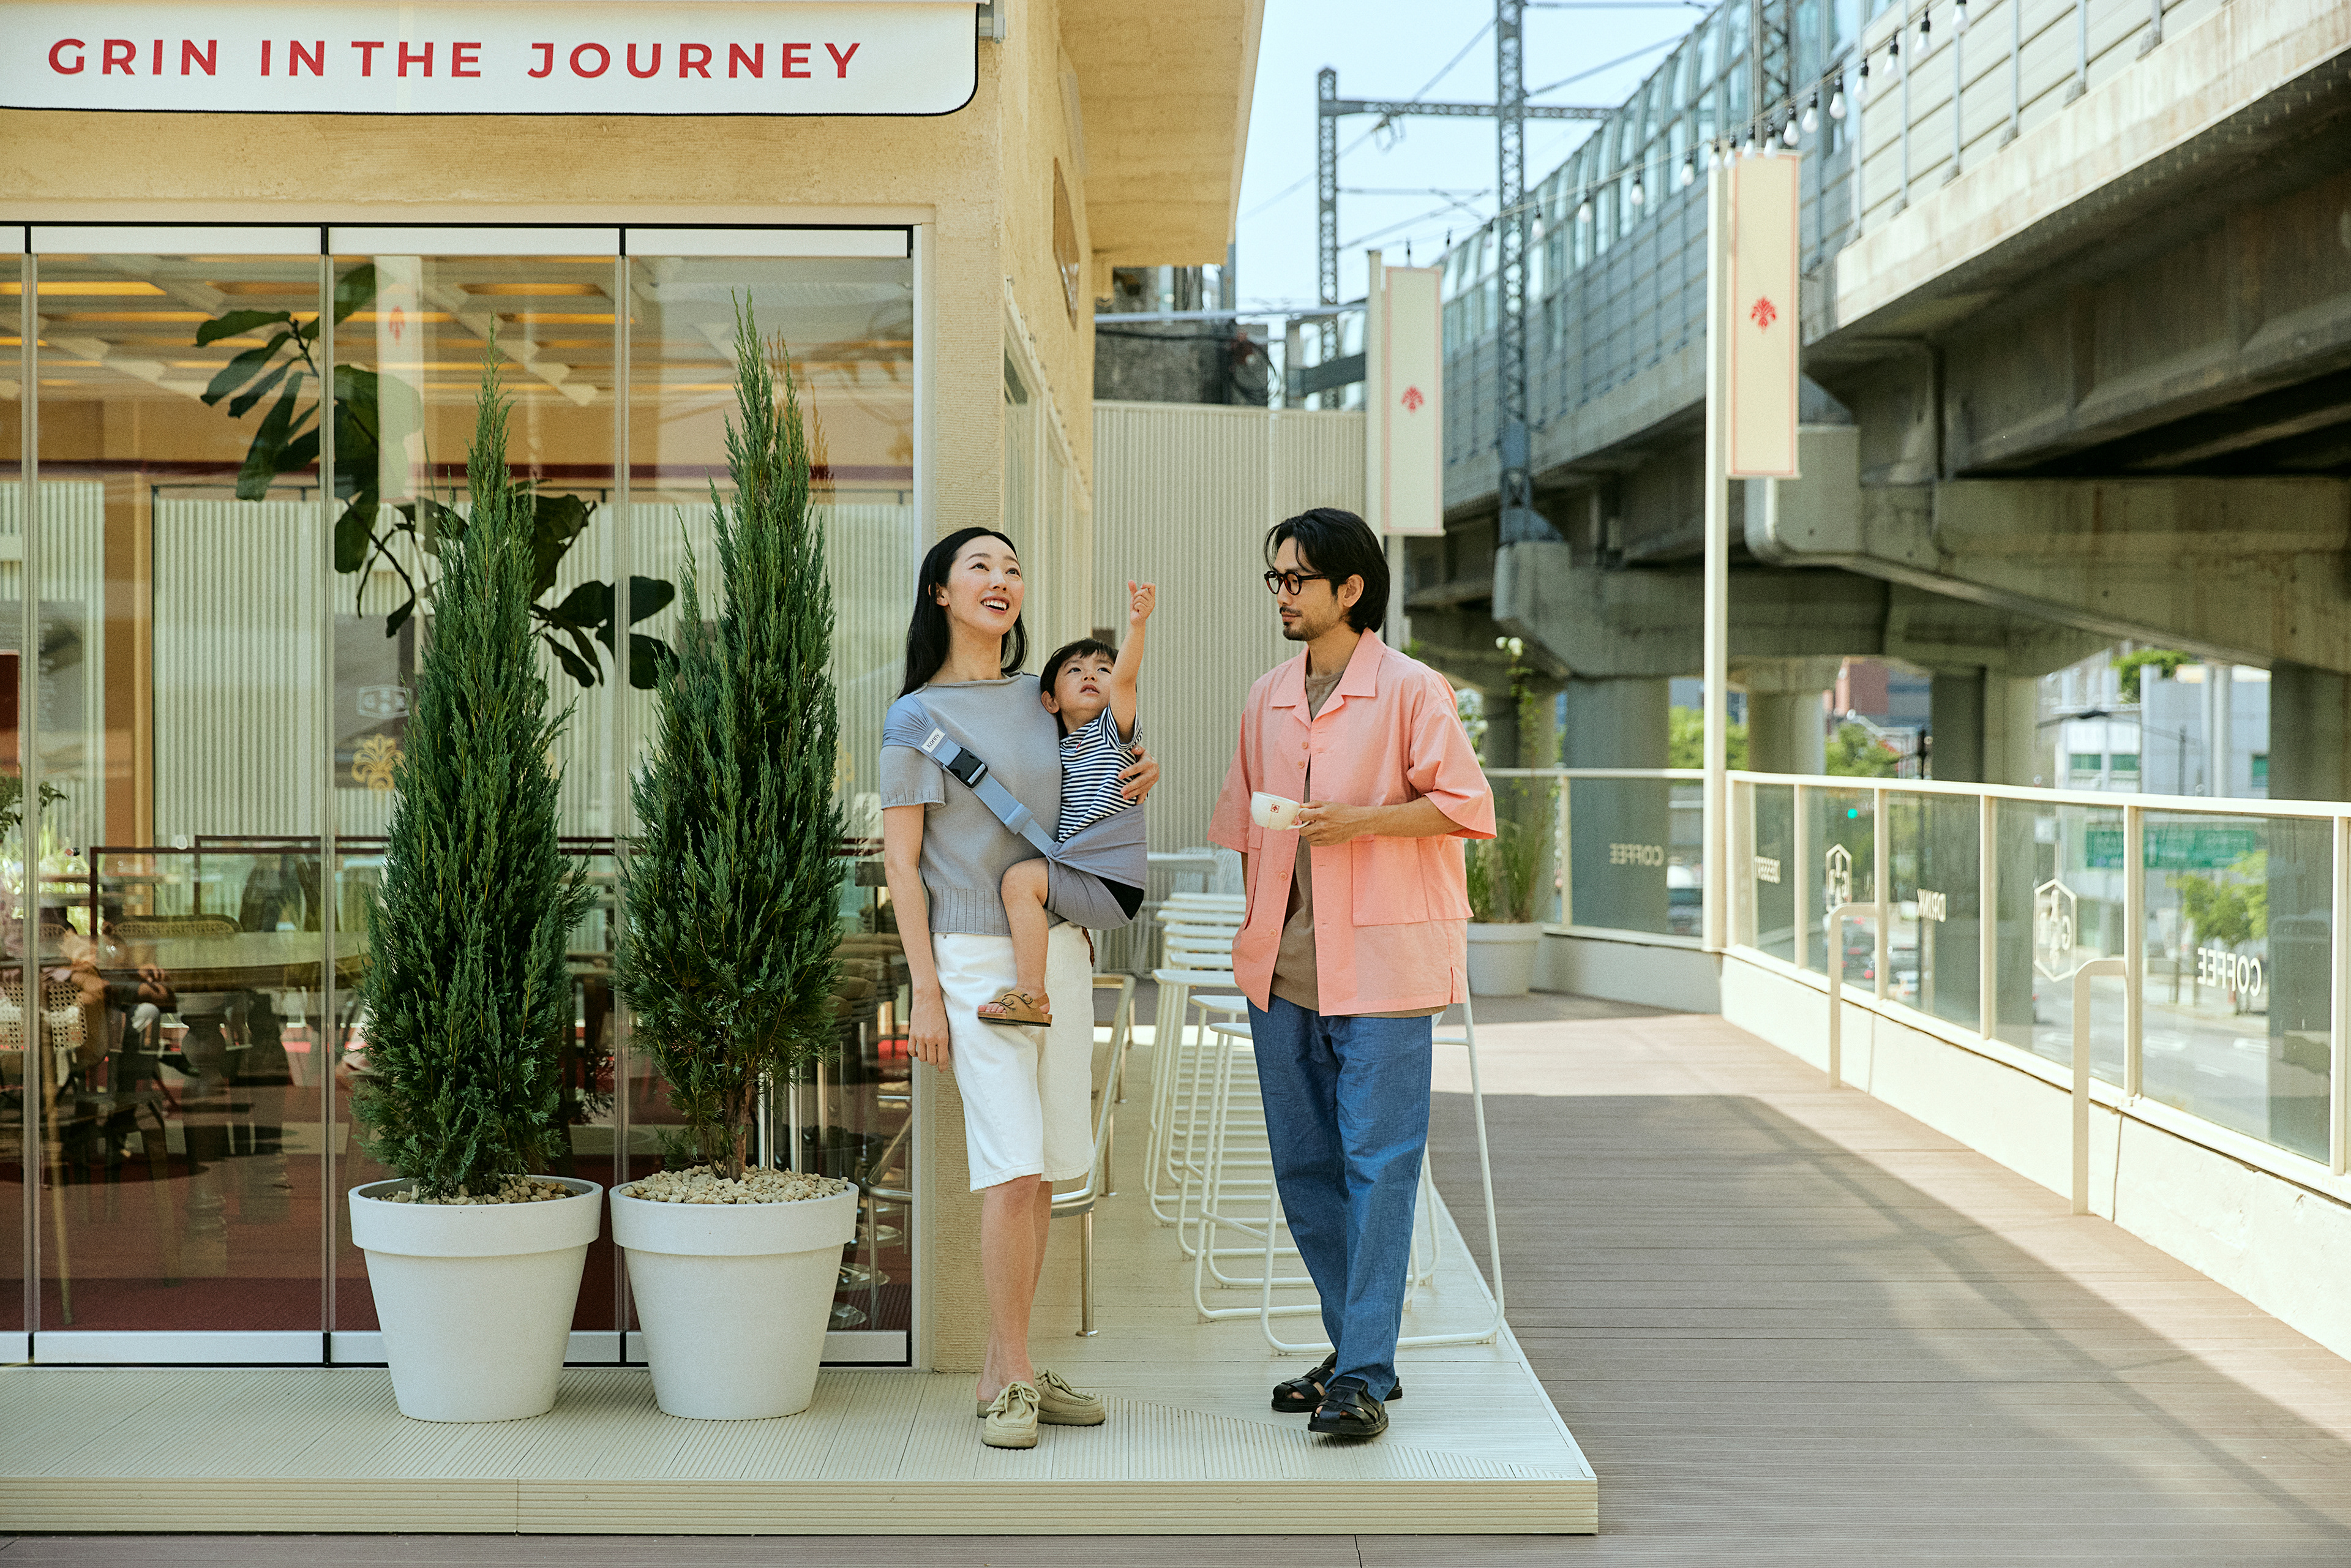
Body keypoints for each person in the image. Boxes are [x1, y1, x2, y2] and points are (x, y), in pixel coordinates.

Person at [1207, 506, 1493, 1442]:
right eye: (1276, 579)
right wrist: (1257, 933)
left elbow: (1465, 805)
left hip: (1385, 969)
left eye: (1297, 579)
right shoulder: (1266, 696)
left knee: (1379, 1167)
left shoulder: (1412, 689)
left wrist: (1361, 821)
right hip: (1286, 969)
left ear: (1351, 588)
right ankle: (1358, 1352)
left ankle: (1362, 1372)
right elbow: (1244, 827)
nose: (1282, 595)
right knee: (1304, 1168)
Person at [879, 526, 1160, 1452]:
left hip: (1061, 949)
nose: (1001, 579)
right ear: (941, 593)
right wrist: (924, 991)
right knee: (1011, 1168)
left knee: (1044, 1173)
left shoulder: (1049, 698)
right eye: (980, 567)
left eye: (1012, 567)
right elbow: (903, 865)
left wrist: (1137, 771)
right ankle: (1009, 1374)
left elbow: (1101, 773)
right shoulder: (916, 718)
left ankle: (1013, 1371)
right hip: (971, 958)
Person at [978, 579, 1155, 1026]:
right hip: (1091, 876)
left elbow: (1127, 679)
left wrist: (1137, 626)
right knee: (1025, 880)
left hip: (1111, 881)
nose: (1091, 675)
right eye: (1075, 670)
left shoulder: (1113, 732)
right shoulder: (1053, 750)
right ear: (1050, 700)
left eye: (1102, 669)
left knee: (1019, 881)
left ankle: (1031, 993)